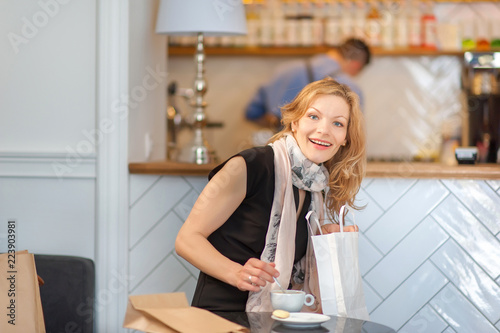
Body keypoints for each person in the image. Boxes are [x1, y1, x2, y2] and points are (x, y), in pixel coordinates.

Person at [175, 78, 366, 313]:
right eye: (313, 116)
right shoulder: (249, 166)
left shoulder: (316, 186)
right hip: (220, 315)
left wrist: (321, 237)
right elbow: (187, 239)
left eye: (338, 123)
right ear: (295, 122)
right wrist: (236, 273)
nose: (324, 130)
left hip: (273, 319)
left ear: (345, 137)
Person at [245, 38, 371, 130]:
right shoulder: (351, 88)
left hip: (282, 156)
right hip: (328, 163)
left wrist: (281, 123)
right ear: (356, 65)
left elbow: (252, 113)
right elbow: (353, 133)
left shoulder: (284, 71)